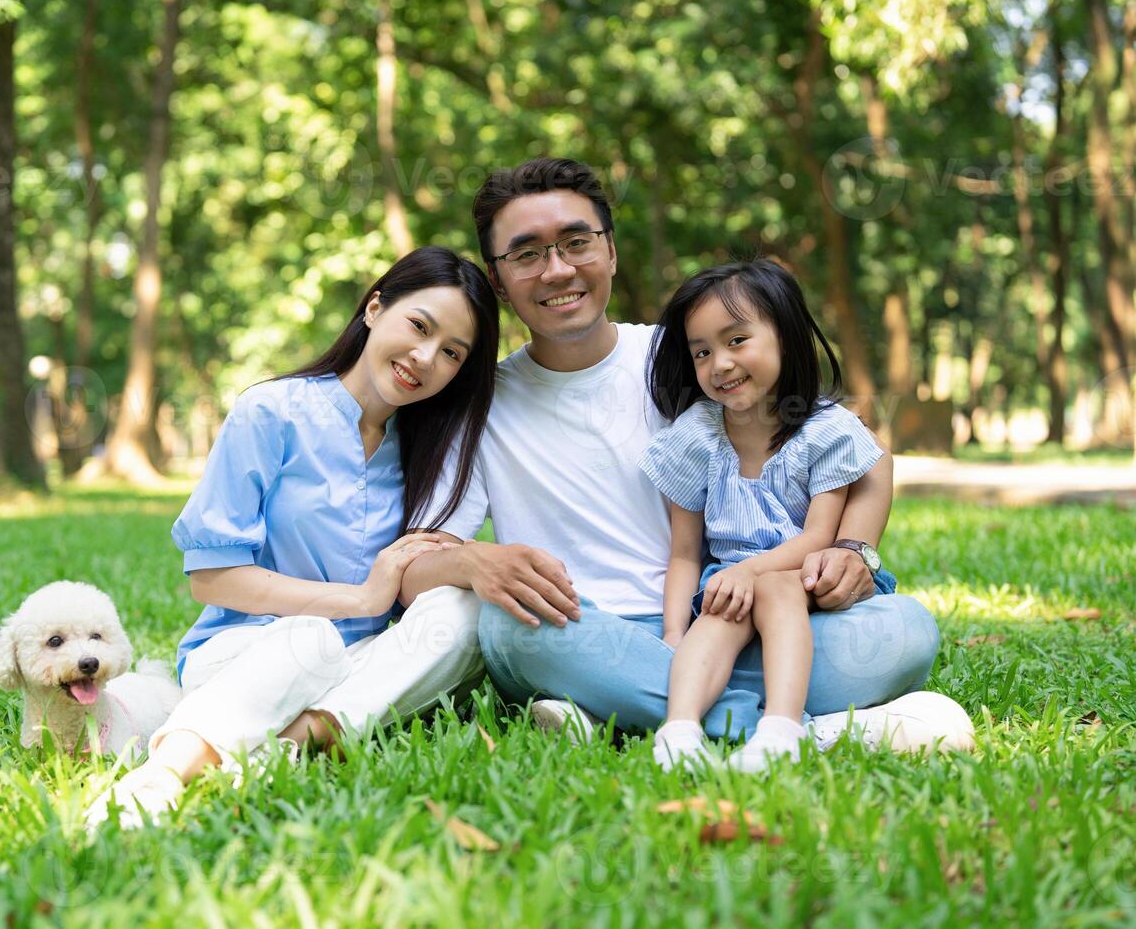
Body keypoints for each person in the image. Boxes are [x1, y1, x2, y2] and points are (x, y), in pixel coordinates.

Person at [397, 157, 973, 756]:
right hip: (578, 629)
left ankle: (620, 710)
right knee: (507, 627)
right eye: (526, 254)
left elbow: (866, 456)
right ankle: (801, 728)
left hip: (730, 617)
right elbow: (411, 570)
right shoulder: (478, 402)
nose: (558, 269)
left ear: (611, 252)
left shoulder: (687, 358)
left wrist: (852, 548)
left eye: (576, 242)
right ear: (496, 279)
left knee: (906, 629)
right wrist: (475, 564)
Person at [87, 246, 500, 829]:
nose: (425, 357)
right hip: (248, 653)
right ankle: (162, 777)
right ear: (375, 308)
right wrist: (360, 600)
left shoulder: (427, 450)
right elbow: (212, 578)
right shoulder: (272, 411)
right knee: (311, 639)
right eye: (419, 326)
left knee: (464, 616)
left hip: (359, 666)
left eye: (451, 353)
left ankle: (279, 746)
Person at [642, 259, 901, 773]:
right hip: (732, 581)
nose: (719, 363)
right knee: (715, 613)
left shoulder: (823, 432)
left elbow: (818, 538)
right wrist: (674, 631)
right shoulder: (696, 437)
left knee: (775, 588)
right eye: (702, 351)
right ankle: (679, 731)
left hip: (805, 575)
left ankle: (780, 730)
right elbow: (685, 552)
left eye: (736, 340)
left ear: (784, 335)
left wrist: (749, 572)